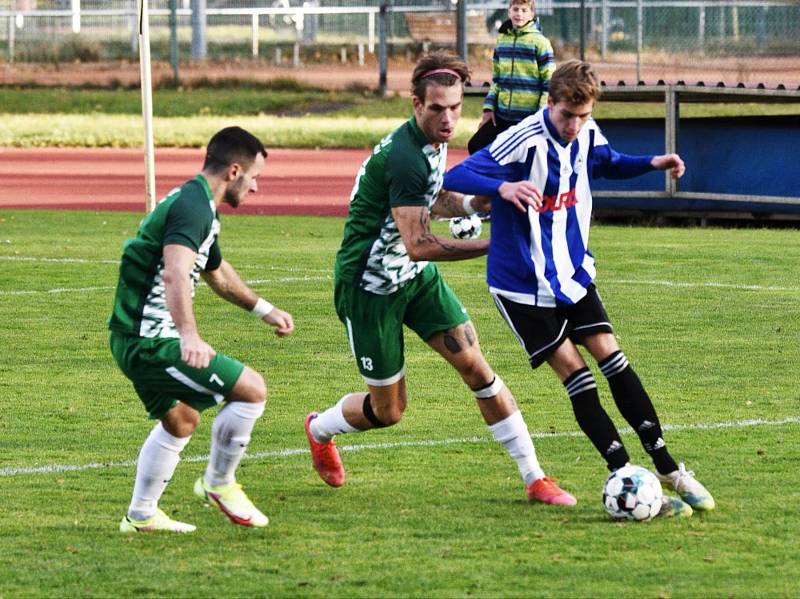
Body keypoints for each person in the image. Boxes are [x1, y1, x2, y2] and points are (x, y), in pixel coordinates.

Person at [444, 60, 715, 517]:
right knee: (576, 374)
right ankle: (628, 476)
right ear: (551, 103)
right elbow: (457, 176)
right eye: (567, 115)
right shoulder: (524, 136)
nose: (574, 125)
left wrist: (653, 162)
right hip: (521, 284)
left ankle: (670, 469)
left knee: (613, 357)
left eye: (583, 115)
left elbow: (606, 162)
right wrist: (505, 187)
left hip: (571, 273)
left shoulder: (587, 133)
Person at [303, 50, 575, 507]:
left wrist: (476, 204)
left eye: (455, 107)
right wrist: (497, 244)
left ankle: (535, 478)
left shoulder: (432, 141)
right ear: (416, 105)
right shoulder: (405, 156)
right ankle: (320, 429)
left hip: (415, 279)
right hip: (370, 287)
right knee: (389, 411)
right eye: (437, 109)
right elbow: (420, 243)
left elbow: (435, 198)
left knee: (476, 365)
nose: (448, 119)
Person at [109, 126, 295, 532]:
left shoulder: (198, 203)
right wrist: (189, 335)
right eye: (254, 176)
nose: (256, 187)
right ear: (233, 171)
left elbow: (215, 271)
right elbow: (176, 273)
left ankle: (141, 516)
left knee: (181, 420)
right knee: (251, 390)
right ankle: (218, 482)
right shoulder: (193, 208)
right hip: (149, 341)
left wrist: (263, 309)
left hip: (133, 336)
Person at [467, 0, 555, 155]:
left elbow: (549, 83)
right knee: (476, 145)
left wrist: (540, 115)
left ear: (532, 14)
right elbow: (497, 80)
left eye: (524, 10)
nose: (519, 14)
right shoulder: (502, 41)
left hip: (527, 118)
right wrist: (489, 108)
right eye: (515, 9)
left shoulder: (541, 43)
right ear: (509, 12)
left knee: (522, 157)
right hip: (502, 116)